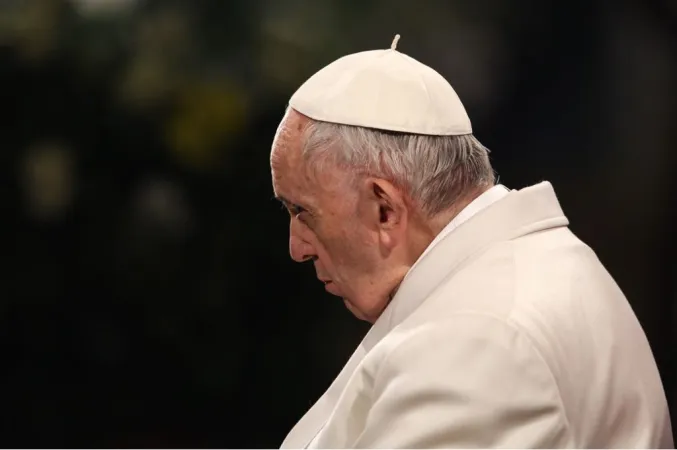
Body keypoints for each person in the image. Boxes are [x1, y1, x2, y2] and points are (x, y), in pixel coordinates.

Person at [269, 35, 673, 448]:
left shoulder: (473, 341)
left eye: (302, 212)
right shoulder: (541, 264)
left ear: (384, 210)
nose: (297, 248)